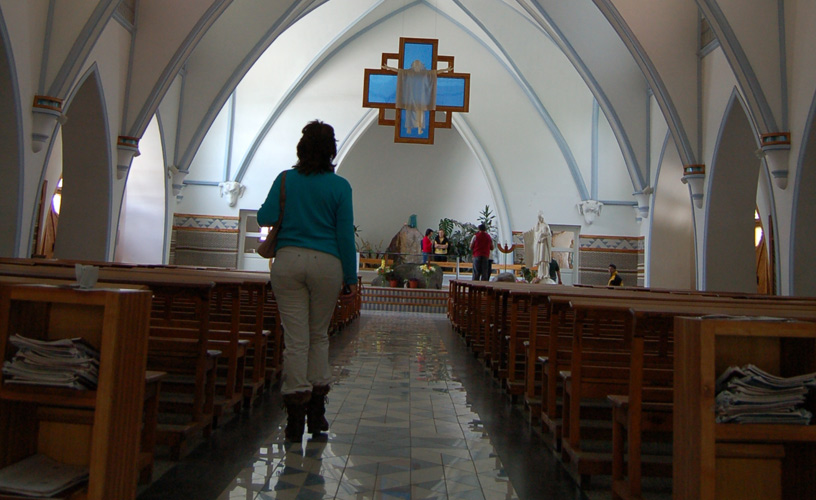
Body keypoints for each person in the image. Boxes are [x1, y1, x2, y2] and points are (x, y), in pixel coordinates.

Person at [257, 120, 357, 442]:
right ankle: (317, 413)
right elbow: (344, 235)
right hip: (327, 264)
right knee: (318, 336)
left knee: (295, 340)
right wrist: (351, 277)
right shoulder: (340, 186)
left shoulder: (285, 180)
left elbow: (264, 217)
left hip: (288, 262)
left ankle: (295, 419)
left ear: (301, 148)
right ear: (331, 151)